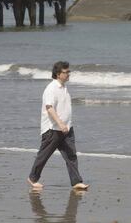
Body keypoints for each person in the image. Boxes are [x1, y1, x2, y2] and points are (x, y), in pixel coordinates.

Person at [28, 61, 89, 190]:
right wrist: (60, 123)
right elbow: (49, 108)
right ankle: (33, 178)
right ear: (57, 74)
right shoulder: (51, 88)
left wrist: (66, 125)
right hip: (53, 129)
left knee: (71, 155)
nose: (68, 74)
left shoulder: (64, 87)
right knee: (44, 155)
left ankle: (76, 182)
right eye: (65, 72)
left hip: (66, 128)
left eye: (69, 72)